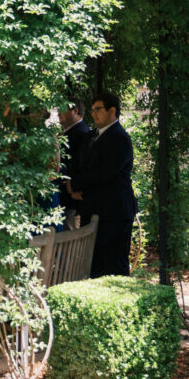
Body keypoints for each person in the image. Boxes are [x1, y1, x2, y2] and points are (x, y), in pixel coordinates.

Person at [68, 92, 137, 278]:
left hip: (114, 214)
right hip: (92, 209)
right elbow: (80, 165)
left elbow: (104, 172)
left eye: (97, 109)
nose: (93, 114)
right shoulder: (91, 136)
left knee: (113, 268)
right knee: (93, 267)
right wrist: (72, 185)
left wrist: (74, 184)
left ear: (112, 110)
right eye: (91, 110)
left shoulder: (120, 138)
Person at [58, 99, 91, 230]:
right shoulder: (67, 132)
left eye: (62, 109)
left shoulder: (83, 133)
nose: (58, 113)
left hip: (72, 197)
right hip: (64, 197)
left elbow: (81, 164)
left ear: (75, 111)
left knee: (69, 240)